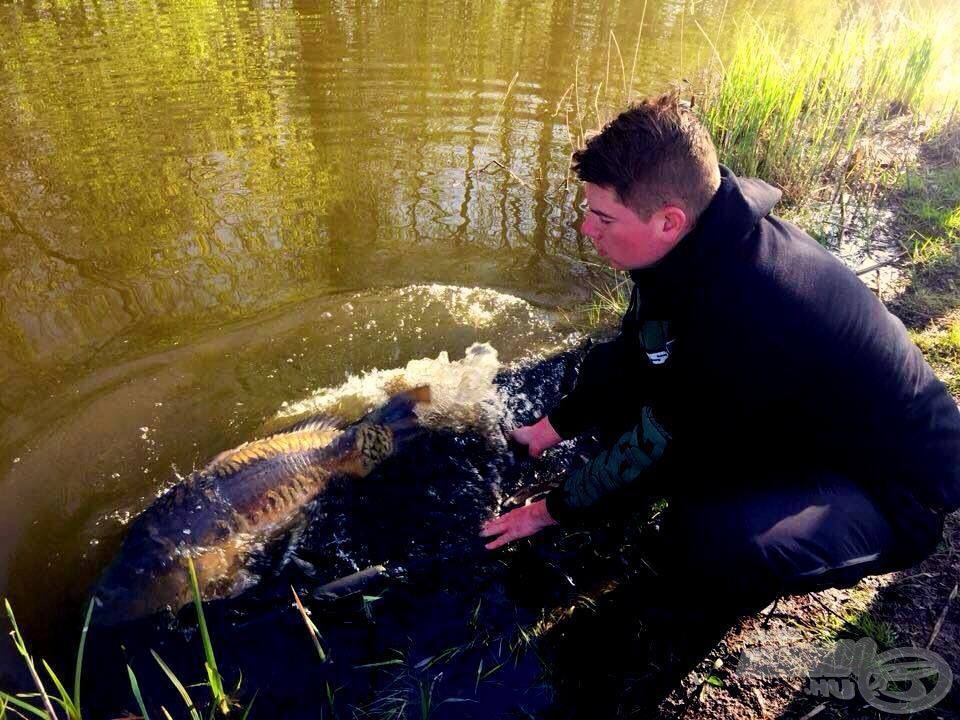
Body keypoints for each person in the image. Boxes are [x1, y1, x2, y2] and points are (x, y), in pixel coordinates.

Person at [480, 92, 960, 619]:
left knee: (711, 537)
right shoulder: (698, 240)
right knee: (628, 401)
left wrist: (549, 512)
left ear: (667, 220)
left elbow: (658, 446)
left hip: (897, 492)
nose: (586, 229)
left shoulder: (746, 312)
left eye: (603, 218)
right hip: (799, 419)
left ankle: (719, 600)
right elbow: (638, 353)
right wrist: (550, 428)